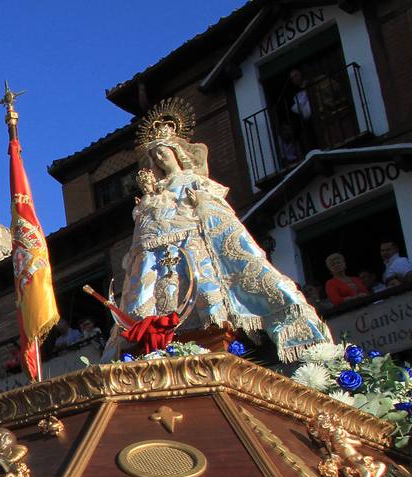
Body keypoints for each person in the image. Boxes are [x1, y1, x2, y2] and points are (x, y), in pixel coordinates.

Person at [110, 99, 331, 362]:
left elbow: (212, 214)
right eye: (155, 155)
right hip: (154, 256)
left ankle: (210, 331)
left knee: (200, 293)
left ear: (176, 153)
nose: (159, 158)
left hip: (188, 246)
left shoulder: (192, 180)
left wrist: (200, 206)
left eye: (163, 152)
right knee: (150, 302)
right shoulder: (154, 191)